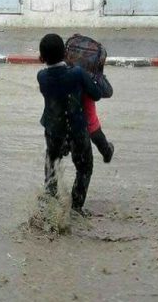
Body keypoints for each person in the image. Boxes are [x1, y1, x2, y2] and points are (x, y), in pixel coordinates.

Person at [37, 33, 112, 215]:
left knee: (52, 162)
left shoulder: (42, 77)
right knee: (84, 168)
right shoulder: (77, 74)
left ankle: (50, 201)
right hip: (77, 131)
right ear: (66, 54)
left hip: (53, 130)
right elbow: (95, 94)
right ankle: (76, 209)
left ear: (41, 58)